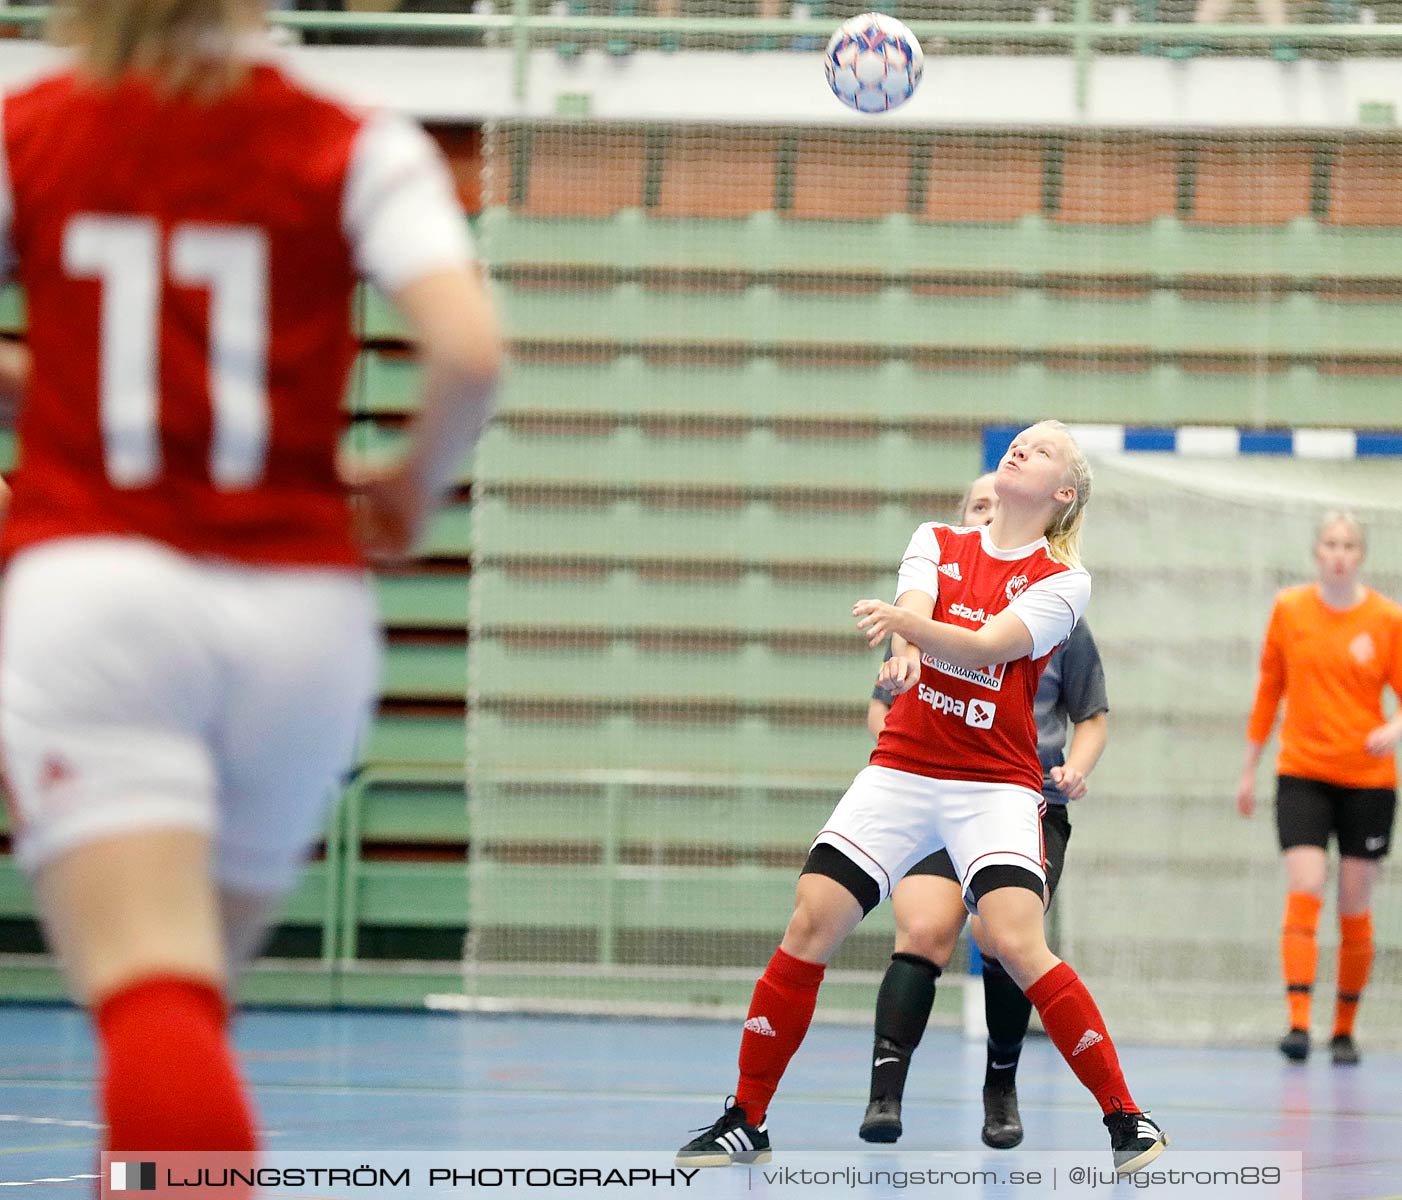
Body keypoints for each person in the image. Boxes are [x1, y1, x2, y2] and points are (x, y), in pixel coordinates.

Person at [0, 0, 500, 1168]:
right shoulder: (352, 136)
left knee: (150, 1004)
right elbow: (470, 353)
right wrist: (409, 490)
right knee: (184, 1012)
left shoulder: (36, 125)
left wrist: (47, 382)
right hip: (303, 616)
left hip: (102, 586)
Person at [675, 422, 1166, 1175]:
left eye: (1038, 449)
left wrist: (911, 629)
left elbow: (984, 645)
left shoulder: (1064, 582)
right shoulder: (936, 538)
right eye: (1017, 442)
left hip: (993, 783)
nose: (1018, 449)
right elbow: (916, 606)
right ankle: (748, 1116)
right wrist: (903, 651)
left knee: (1014, 939)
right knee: (812, 917)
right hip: (904, 768)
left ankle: (1125, 1118)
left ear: (1062, 492)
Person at [861, 470, 1109, 1150]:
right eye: (979, 506)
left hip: (1020, 798)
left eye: (1001, 502)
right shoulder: (927, 596)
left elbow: (1091, 715)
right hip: (934, 787)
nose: (991, 511)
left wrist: (1075, 769)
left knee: (1004, 938)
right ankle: (886, 1090)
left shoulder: (1054, 605)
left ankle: (1001, 1083)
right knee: (922, 930)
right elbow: (885, 699)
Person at [1236, 511, 1402, 1065]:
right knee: (1306, 882)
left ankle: (1344, 1029)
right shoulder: (1290, 609)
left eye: (1349, 544)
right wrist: (1248, 769)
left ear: (1360, 555)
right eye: (1329, 542)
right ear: (1316, 551)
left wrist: (1393, 729)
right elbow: (1269, 689)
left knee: (1354, 900)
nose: (1338, 552)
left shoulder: (1386, 618)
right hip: (1302, 771)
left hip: (1368, 780)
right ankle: (1299, 1023)